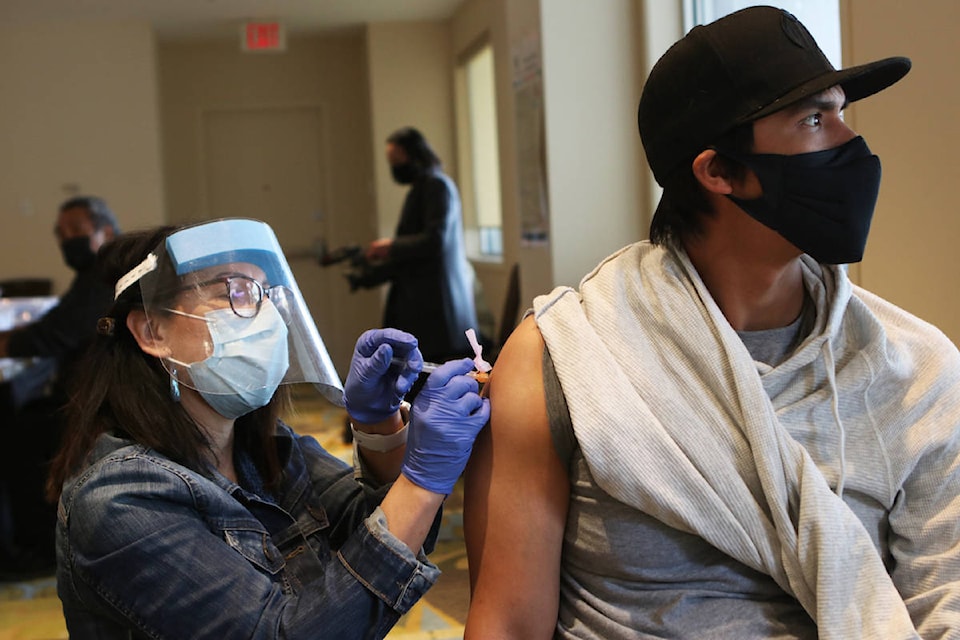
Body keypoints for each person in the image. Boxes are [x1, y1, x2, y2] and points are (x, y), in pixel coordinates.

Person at [463, 6, 960, 639]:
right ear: (719, 171)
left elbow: (947, 600)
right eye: (813, 119)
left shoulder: (917, 371)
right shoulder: (568, 356)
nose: (849, 144)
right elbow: (506, 624)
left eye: (841, 112)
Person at [45, 218, 489, 638]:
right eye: (232, 292)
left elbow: (391, 536)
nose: (263, 318)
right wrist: (422, 479)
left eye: (263, 294)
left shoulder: (265, 450)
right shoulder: (118, 499)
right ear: (151, 331)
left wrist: (380, 427)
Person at [0, 195, 119, 580]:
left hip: (94, 404)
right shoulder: (92, 275)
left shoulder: (104, 276)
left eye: (75, 231)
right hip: (84, 395)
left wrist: (8, 342)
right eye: (60, 233)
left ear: (106, 232)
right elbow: (57, 322)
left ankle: (34, 549)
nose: (66, 239)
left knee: (17, 437)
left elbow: (55, 334)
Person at [351, 126, 480, 365]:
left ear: (414, 155)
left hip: (434, 308)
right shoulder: (424, 188)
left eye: (397, 160)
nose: (395, 168)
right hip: (424, 304)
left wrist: (391, 246)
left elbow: (434, 240)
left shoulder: (436, 186)